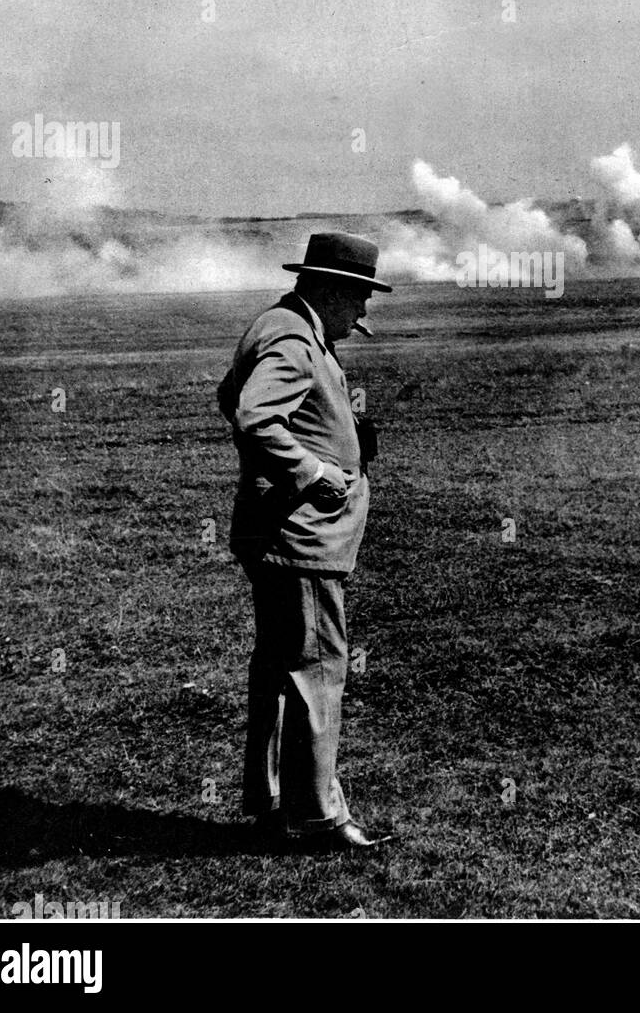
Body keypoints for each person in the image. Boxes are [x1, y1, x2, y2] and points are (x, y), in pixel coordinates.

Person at [217, 232, 391, 852]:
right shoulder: (293, 338)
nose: (363, 313)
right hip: (300, 539)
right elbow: (255, 415)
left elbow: (230, 396)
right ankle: (315, 817)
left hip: (276, 532)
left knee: (280, 668)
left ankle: (270, 799)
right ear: (333, 288)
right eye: (360, 298)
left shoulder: (279, 324)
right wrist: (312, 470)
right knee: (316, 668)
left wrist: (331, 434)